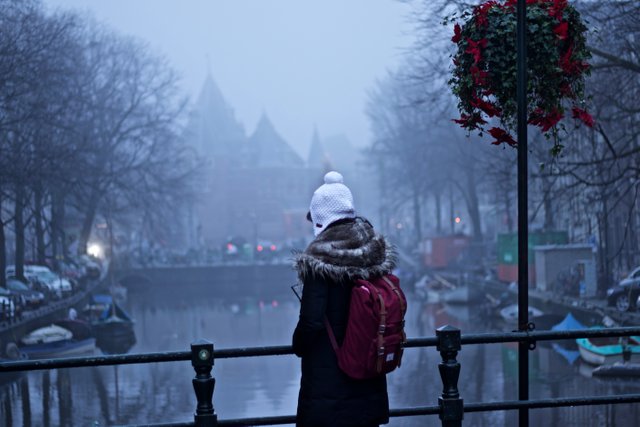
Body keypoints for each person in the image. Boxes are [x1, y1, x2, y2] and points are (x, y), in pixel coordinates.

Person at [292, 171, 397, 427]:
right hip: (367, 373)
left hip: (331, 384)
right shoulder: (373, 253)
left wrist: (298, 345)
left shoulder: (319, 262)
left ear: (321, 218)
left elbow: (312, 322)